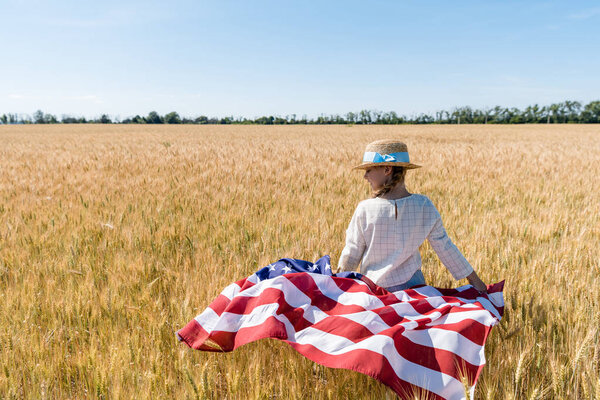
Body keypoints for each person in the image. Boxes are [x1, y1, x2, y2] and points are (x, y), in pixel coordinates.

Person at [336, 139, 488, 294]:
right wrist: (477, 283)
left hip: (375, 293)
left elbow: (352, 252)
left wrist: (335, 288)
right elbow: (445, 248)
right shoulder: (423, 205)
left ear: (387, 169)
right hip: (416, 293)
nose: (365, 176)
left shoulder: (365, 208)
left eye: (368, 170)